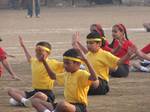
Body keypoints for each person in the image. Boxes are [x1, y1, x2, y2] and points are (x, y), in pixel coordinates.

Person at [30, 48, 97, 112]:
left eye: (67, 63)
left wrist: (86, 61)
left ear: (78, 64)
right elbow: (52, 76)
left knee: (62, 104)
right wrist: (44, 62)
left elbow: (94, 78)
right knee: (35, 101)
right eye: (64, 63)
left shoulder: (82, 74)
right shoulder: (66, 74)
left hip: (78, 107)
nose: (65, 65)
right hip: (65, 105)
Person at [8, 36, 64, 107]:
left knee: (39, 95)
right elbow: (29, 58)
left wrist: (80, 65)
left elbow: (67, 64)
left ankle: (22, 101)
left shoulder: (53, 63)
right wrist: (23, 46)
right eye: (36, 51)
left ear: (48, 53)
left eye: (41, 51)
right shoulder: (34, 61)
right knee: (11, 90)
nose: (38, 53)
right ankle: (25, 101)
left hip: (46, 93)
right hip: (34, 92)